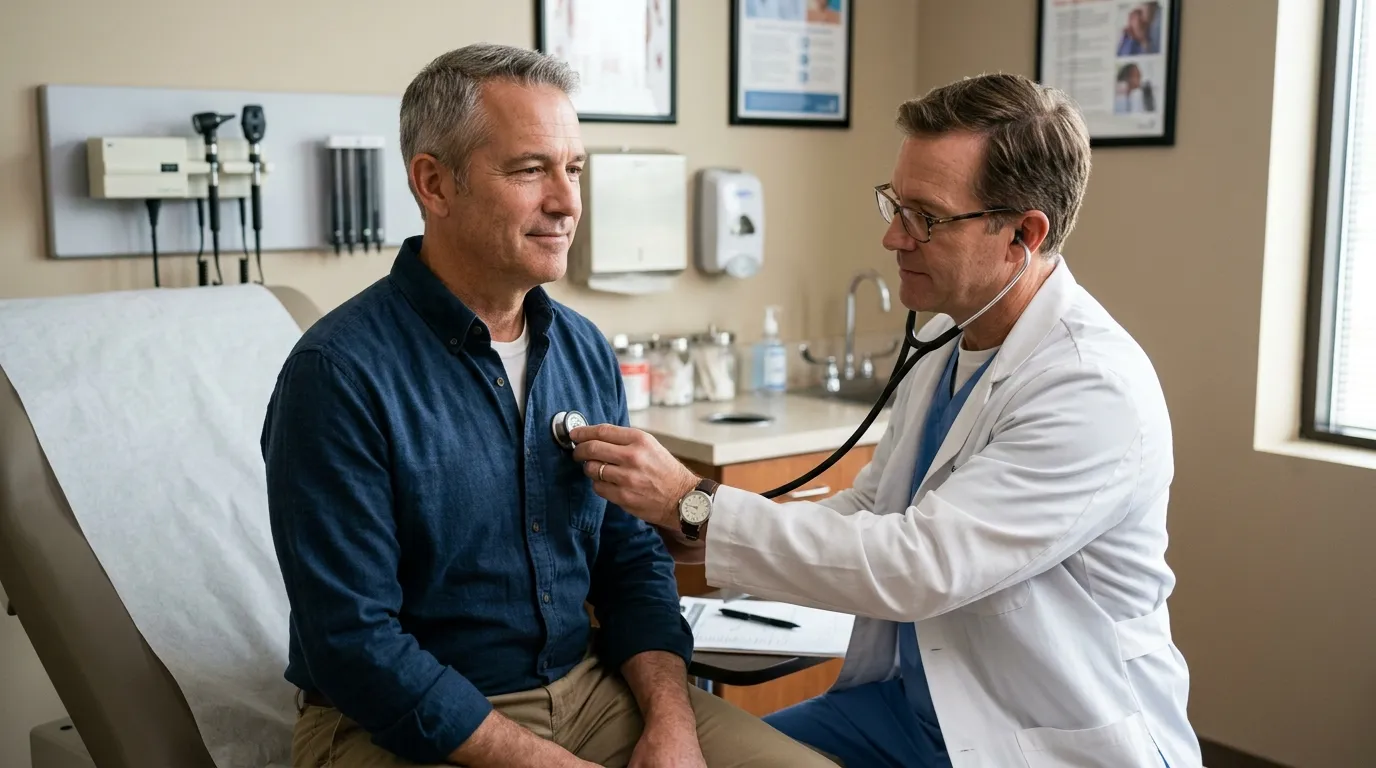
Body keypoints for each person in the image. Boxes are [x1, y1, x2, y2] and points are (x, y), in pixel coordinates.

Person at [569, 73, 1202, 768]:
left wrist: (693, 502)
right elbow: (870, 510)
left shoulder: (1091, 388)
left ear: (1023, 233)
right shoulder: (949, 349)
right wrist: (690, 533)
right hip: (905, 709)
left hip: (1034, 731)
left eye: (925, 217)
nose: (892, 237)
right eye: (895, 205)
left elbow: (917, 566)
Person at [260, 43, 833, 768]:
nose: (566, 202)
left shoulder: (584, 351)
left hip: (590, 692)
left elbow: (632, 564)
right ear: (434, 184)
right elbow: (355, 642)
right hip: (394, 723)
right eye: (531, 170)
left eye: (574, 169)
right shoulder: (338, 374)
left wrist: (672, 723)